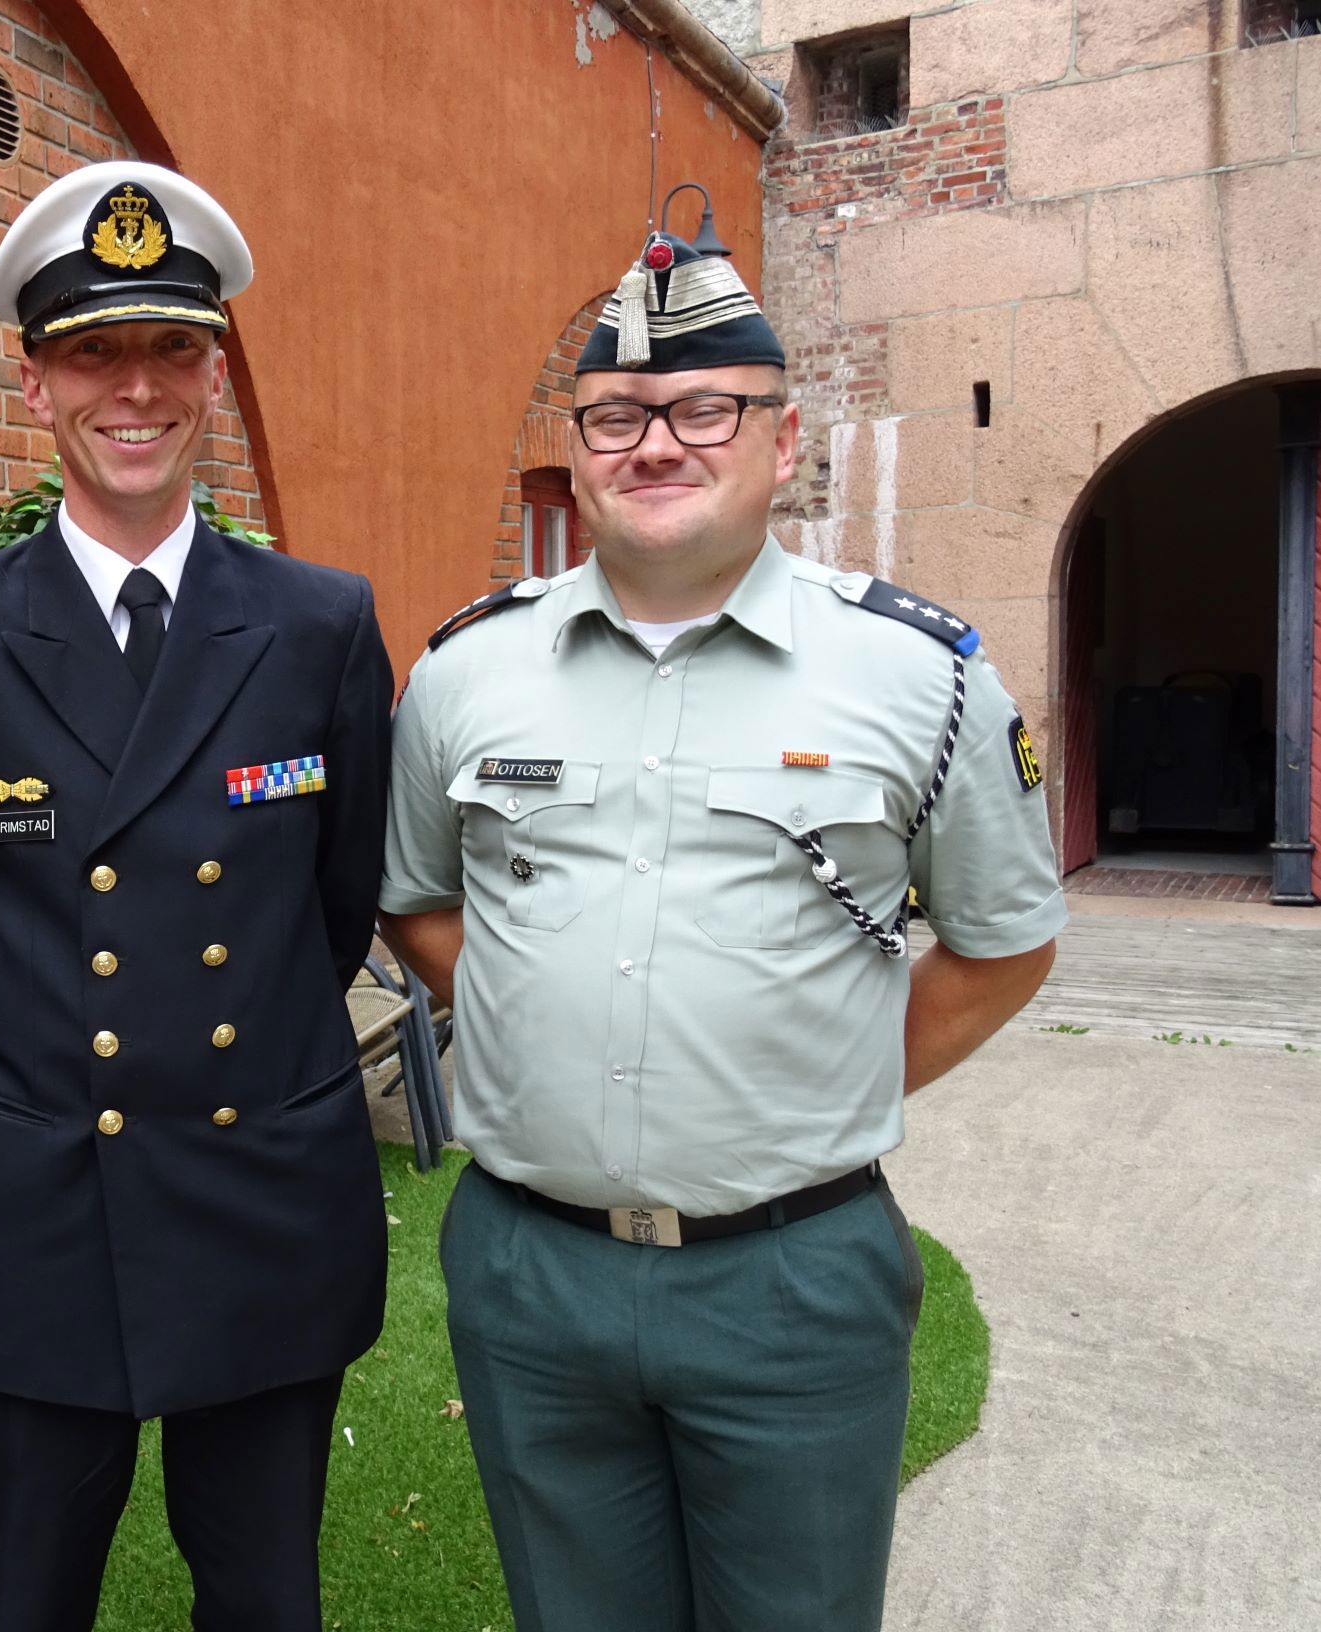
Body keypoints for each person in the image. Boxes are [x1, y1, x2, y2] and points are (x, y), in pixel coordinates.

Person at [378, 204, 1064, 1632]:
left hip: (792, 1277)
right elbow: (421, 904)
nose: (657, 444)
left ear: (783, 437)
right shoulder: (462, 674)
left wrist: (819, 1078)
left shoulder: (919, 676)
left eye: (706, 408)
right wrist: (543, 1035)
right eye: (616, 415)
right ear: (578, 445)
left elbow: (1003, 944)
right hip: (530, 1271)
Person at [0, 161, 394, 1631]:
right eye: (94, 352)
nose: (136, 388)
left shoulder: (317, 622)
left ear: (214, 374)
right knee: (19, 1605)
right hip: (36, 1207)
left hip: (258, 1189)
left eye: (171, 348)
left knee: (263, 1602)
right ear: (36, 383)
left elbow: (334, 907)